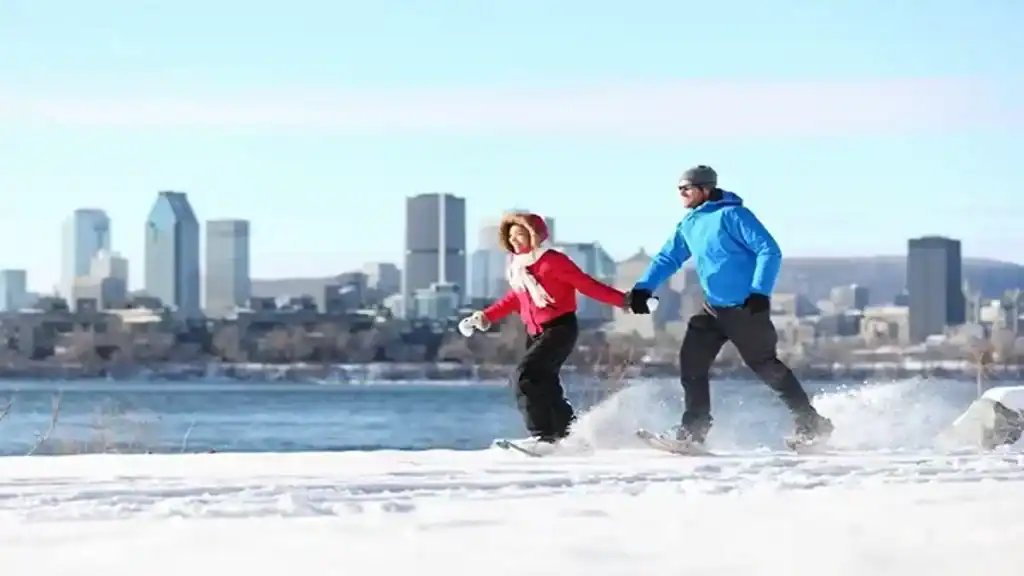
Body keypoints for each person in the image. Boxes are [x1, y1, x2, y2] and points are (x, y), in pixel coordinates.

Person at [624, 165, 834, 448]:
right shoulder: (690, 223)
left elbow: (768, 250)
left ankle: (811, 423)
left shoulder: (733, 215)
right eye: (679, 189)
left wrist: (760, 292)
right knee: (691, 364)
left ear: (705, 190)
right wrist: (643, 288)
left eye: (687, 188)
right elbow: (668, 258)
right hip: (712, 309)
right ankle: (693, 431)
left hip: (745, 308)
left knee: (765, 366)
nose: (682, 194)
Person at [460, 212, 628, 450]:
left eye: (520, 234)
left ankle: (543, 436)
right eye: (511, 236)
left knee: (525, 376)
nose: (515, 240)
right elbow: (515, 299)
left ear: (534, 235)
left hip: (560, 327)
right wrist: (485, 316)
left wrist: (625, 301)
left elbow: (587, 285)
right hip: (536, 332)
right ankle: (569, 435)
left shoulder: (553, 261)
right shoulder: (519, 267)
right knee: (545, 383)